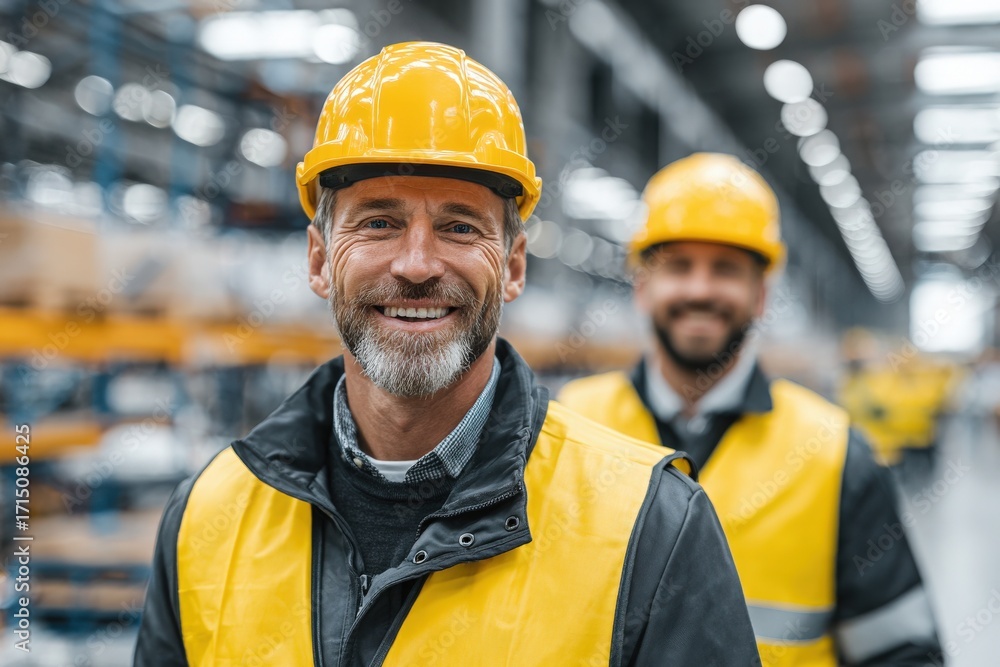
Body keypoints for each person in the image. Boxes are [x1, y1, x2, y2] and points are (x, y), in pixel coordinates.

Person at [134, 43, 760, 666]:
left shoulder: (653, 531)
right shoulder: (205, 518)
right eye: (378, 222)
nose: (415, 266)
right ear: (320, 259)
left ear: (513, 267)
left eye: (460, 227)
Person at [558, 153, 943, 666]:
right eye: (678, 266)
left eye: (725, 269)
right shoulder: (564, 429)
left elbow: (901, 651)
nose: (700, 289)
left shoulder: (835, 455)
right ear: (643, 288)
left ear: (761, 295)